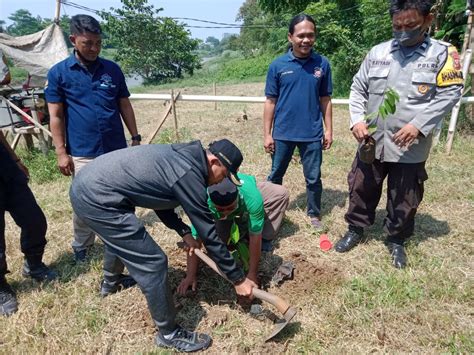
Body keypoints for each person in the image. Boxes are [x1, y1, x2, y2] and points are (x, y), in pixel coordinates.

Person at [69, 139, 256, 352]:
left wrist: (184, 231)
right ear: (213, 161)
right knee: (154, 262)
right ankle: (169, 333)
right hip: (96, 197)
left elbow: (157, 195)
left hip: (91, 185)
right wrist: (238, 279)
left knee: (120, 237)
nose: (219, 182)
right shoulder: (189, 174)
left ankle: (111, 282)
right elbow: (209, 234)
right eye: (223, 175)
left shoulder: (185, 158)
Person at [335, 0, 463, 268]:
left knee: (405, 194)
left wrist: (419, 124)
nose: (403, 31)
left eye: (410, 25)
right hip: (372, 141)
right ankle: (356, 229)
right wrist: (357, 120)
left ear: (428, 20)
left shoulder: (443, 53)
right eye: (397, 26)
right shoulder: (378, 52)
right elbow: (358, 88)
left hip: (410, 145)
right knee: (361, 185)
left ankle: (396, 239)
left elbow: (450, 93)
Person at [45, 15, 141, 265]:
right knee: (84, 202)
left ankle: (122, 240)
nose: (94, 49)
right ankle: (82, 245)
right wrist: (61, 152)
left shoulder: (112, 69)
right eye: (88, 43)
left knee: (122, 196)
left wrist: (135, 137)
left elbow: (124, 104)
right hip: (83, 151)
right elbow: (55, 116)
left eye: (98, 43)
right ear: (73, 40)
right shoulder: (59, 74)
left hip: (115, 150)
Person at [263, 14, 333, 230]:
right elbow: (271, 101)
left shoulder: (322, 64)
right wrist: (267, 134)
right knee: (275, 175)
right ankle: (270, 212)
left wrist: (328, 130)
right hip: (282, 132)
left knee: (313, 178)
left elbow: (325, 99)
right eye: (301, 35)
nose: (306, 40)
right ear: (290, 37)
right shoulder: (278, 65)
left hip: (312, 133)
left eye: (310, 35)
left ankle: (314, 214)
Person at [0, 53, 56, 317]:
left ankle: (33, 263)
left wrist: (15, 158)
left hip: (5, 168)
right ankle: (1, 286)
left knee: (34, 219)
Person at [177, 173, 289, 295]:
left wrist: (252, 275)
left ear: (238, 198)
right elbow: (195, 240)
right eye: (220, 210)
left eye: (230, 208)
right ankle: (236, 225)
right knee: (220, 243)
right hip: (219, 211)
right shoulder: (202, 202)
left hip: (248, 192)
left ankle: (262, 237)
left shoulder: (251, 197)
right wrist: (190, 275)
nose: (225, 212)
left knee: (280, 193)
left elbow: (255, 237)